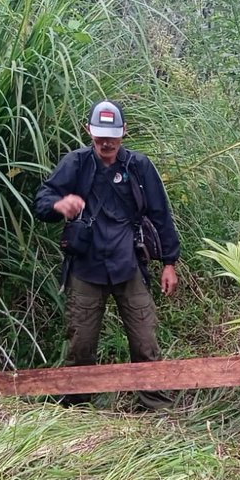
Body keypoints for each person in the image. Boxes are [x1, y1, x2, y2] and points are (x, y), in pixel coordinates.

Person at [35, 99, 181, 410]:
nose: (106, 143)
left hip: (128, 263)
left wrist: (169, 262)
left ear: (124, 131)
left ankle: (155, 405)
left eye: (112, 136)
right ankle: (76, 407)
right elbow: (42, 200)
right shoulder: (75, 163)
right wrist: (59, 205)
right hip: (85, 267)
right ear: (88, 130)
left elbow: (160, 214)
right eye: (100, 136)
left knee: (145, 340)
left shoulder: (138, 166)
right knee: (81, 343)